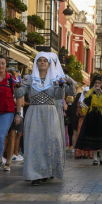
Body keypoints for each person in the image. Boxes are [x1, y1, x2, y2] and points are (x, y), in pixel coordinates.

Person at [14, 52, 65, 185]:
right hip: (34, 112)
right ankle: (35, 174)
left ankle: (47, 172)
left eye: (45, 61)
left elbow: (59, 96)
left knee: (50, 142)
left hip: (50, 112)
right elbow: (19, 94)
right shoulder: (30, 79)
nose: (42, 62)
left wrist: (61, 86)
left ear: (49, 64)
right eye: (40, 60)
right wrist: (17, 86)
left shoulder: (55, 79)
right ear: (36, 63)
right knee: (34, 142)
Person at [75, 75, 102, 165]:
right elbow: (86, 103)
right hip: (92, 116)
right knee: (94, 137)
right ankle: (95, 158)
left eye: (99, 83)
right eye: (95, 83)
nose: (97, 84)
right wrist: (92, 94)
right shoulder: (89, 92)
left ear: (101, 84)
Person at [0, 55, 21, 177]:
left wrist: (18, 114)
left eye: (3, 63)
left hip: (7, 112)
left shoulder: (12, 79)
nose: (0, 66)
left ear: (6, 65)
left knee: (0, 137)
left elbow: (19, 96)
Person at [74, 87, 93, 159]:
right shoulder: (80, 102)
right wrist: (82, 113)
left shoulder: (92, 101)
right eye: (85, 92)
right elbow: (78, 112)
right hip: (82, 121)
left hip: (90, 121)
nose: (86, 94)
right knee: (80, 136)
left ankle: (89, 153)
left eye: (87, 92)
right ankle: (80, 153)